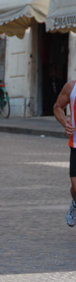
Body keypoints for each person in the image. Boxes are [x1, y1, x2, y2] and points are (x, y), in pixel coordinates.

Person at [53, 80, 76, 226]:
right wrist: (65, 122)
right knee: (75, 187)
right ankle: (75, 203)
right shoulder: (71, 87)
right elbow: (57, 107)